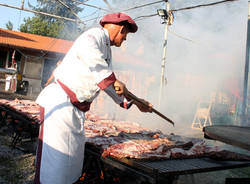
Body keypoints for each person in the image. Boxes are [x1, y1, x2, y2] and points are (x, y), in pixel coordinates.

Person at [34, 12, 152, 184]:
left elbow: (109, 85)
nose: (125, 39)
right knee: (55, 163)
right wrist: (114, 80)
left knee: (70, 162)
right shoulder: (93, 36)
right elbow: (101, 70)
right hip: (60, 104)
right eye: (126, 34)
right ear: (121, 29)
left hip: (74, 110)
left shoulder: (107, 50)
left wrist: (136, 102)